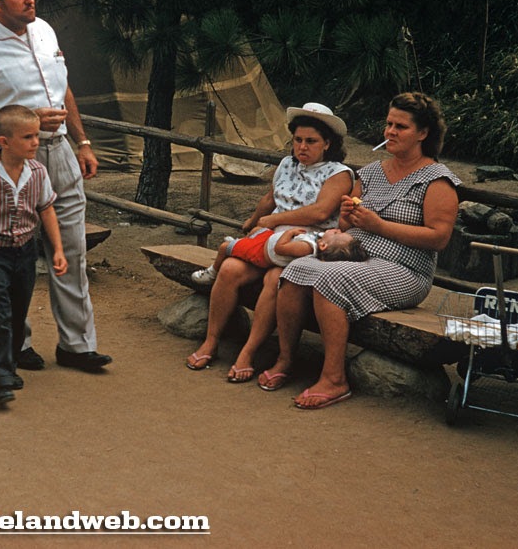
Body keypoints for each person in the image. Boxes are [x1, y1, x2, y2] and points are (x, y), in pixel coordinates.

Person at [0, 0, 111, 372]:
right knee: (14, 253)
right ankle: (16, 344)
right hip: (12, 161)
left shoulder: (44, 30)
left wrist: (82, 142)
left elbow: (63, 89)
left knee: (72, 250)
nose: (30, 0)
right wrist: (26, 121)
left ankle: (77, 346)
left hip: (60, 153)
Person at [264, 92, 461, 409]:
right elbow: (346, 225)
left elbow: (439, 238)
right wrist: (346, 218)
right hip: (355, 256)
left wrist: (379, 226)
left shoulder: (437, 180)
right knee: (296, 269)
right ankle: (286, 359)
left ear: (423, 133)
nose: (390, 132)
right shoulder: (371, 172)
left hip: (404, 270)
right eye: (389, 124)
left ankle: (334, 379)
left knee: (329, 277)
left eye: (401, 127)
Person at [185, 102, 355, 383]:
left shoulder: (338, 173)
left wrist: (273, 220)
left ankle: (249, 352)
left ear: (327, 143)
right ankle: (211, 341)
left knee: (275, 278)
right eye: (298, 140)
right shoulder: (287, 164)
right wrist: (254, 220)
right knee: (229, 269)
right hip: (269, 237)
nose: (302, 147)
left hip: (306, 242)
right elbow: (270, 198)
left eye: (311, 141)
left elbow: (321, 212)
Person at [0, 105, 67, 406]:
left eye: (37, 135)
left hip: (25, 252)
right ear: (4, 142)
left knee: (18, 312)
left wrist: (57, 249)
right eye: (28, 137)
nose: (35, 142)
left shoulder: (38, 172)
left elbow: (46, 209)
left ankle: (10, 363)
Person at [191, 226, 368, 285]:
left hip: (262, 252)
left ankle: (212, 272)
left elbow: (280, 249)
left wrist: (289, 233)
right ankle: (240, 244)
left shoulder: (305, 248)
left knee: (224, 247)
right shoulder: (319, 240)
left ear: (323, 246)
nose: (337, 229)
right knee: (258, 229)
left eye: (336, 233)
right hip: (266, 239)